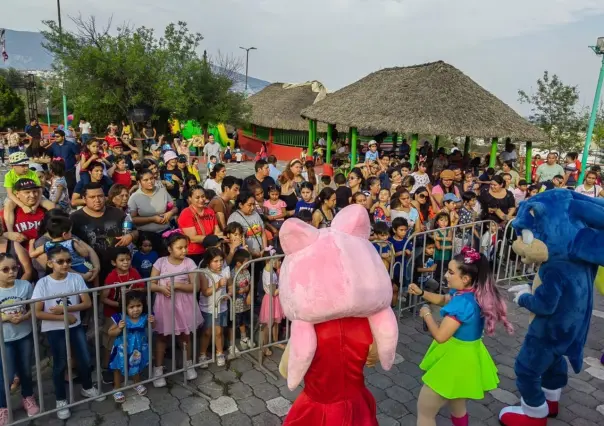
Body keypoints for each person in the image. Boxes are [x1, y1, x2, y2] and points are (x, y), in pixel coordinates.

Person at [408, 247, 513, 426]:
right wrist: (422, 293)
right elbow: (443, 299)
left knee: (425, 412)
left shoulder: (463, 304)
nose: (446, 276)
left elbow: (441, 336)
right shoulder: (472, 293)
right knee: (457, 405)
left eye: (450, 272)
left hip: (455, 360)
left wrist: (426, 314)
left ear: (465, 278)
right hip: (469, 357)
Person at [32, 246, 105, 420]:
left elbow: (86, 303)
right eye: (60, 261)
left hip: (75, 325)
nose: (65, 264)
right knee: (60, 363)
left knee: (84, 357)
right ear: (50, 263)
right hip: (54, 328)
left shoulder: (75, 278)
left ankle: (87, 387)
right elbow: (38, 312)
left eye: (68, 261)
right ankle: (60, 399)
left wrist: (66, 310)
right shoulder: (43, 283)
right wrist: (64, 318)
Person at [150, 232, 203, 386]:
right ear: (169, 249)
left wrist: (178, 285)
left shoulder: (189, 263)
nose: (184, 251)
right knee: (162, 337)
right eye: (180, 248)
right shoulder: (160, 262)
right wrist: (160, 289)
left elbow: (196, 286)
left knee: (185, 335)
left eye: (186, 247)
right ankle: (158, 370)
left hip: (184, 304)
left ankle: (188, 364)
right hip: (164, 304)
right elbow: (150, 283)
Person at [0, 254, 40, 423]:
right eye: (5, 269)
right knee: (7, 375)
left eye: (14, 268)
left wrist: (24, 317)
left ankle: (28, 397)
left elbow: (35, 307)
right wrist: (7, 318)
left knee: (25, 369)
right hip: (4, 339)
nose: (11, 272)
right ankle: (3, 406)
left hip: (24, 334)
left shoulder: (24, 286)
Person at [71, 183, 138, 281]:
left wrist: (130, 236)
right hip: (91, 271)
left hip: (117, 271)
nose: (97, 200)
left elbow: (135, 231)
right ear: (84, 199)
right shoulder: (75, 218)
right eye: (92, 197)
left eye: (100, 196)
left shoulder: (117, 213)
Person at [100, 247, 143, 385]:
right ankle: (106, 367)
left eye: (128, 259)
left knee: (128, 340)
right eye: (122, 260)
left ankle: (130, 365)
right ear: (114, 262)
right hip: (112, 314)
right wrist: (118, 305)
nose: (126, 262)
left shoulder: (134, 272)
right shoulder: (111, 276)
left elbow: (142, 288)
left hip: (130, 312)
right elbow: (103, 298)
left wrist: (133, 292)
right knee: (110, 340)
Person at [108, 291, 154, 403]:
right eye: (131, 307)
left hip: (137, 348)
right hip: (122, 350)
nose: (136, 309)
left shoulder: (145, 317)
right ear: (124, 307)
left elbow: (153, 326)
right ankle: (117, 388)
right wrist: (119, 328)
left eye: (139, 306)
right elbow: (110, 332)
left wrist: (153, 322)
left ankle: (137, 383)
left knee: (136, 364)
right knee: (118, 367)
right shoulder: (121, 318)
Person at [128, 169, 176, 253]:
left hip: (165, 233)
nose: (150, 181)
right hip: (146, 238)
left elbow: (175, 207)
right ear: (139, 182)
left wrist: (170, 213)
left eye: (151, 178)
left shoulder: (162, 191)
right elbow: (133, 219)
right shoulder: (135, 197)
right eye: (145, 180)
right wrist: (152, 219)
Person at [198, 247, 231, 367]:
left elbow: (231, 285)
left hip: (221, 307)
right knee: (207, 332)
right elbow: (205, 292)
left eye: (221, 260)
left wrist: (229, 294)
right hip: (208, 307)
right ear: (208, 262)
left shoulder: (225, 271)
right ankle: (202, 354)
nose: (219, 263)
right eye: (215, 261)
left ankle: (220, 352)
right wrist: (218, 284)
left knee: (219, 332)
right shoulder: (204, 273)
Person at [177, 186, 222, 266]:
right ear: (190, 198)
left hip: (210, 251)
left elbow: (217, 230)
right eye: (197, 197)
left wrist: (219, 237)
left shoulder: (210, 211)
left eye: (203, 196)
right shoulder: (186, 213)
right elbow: (192, 238)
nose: (201, 200)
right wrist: (214, 239)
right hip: (194, 254)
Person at [1, 178, 51, 245]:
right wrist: (6, 235)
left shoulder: (45, 208)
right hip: (17, 253)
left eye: (35, 191)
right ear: (17, 194)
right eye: (27, 192)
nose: (32, 195)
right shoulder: (8, 211)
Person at [227, 192, 267, 259]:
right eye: (249, 205)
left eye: (254, 204)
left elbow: (263, 233)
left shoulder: (256, 214)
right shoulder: (234, 218)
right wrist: (251, 253)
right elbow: (235, 241)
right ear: (240, 205)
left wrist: (264, 250)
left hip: (261, 255)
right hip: (245, 258)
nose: (252, 207)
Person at [260, 254, 286, 356]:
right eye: (278, 261)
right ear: (270, 261)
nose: (279, 263)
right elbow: (273, 292)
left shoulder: (270, 270)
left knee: (276, 322)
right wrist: (284, 285)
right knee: (268, 324)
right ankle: (264, 347)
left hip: (275, 300)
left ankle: (275, 341)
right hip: (271, 300)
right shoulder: (269, 275)